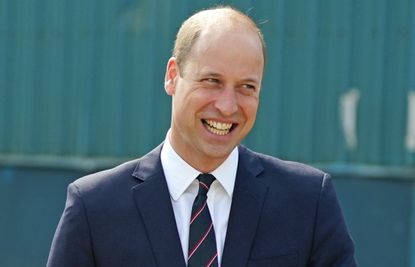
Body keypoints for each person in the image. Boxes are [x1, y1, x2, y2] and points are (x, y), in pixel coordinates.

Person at [47, 5, 357, 267]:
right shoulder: (94, 207)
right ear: (172, 76)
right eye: (212, 81)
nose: (227, 105)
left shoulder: (308, 201)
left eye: (246, 87)